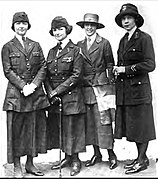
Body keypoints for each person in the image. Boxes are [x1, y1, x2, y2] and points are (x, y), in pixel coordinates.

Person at [1, 12, 50, 177]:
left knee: (33, 128)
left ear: (28, 26)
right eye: (18, 23)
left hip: (34, 95)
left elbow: (43, 66)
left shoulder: (35, 45)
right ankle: (17, 165)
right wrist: (23, 86)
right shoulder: (7, 47)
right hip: (16, 96)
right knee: (16, 131)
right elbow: (7, 70)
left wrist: (35, 85)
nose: (21, 26)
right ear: (13, 26)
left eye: (24, 23)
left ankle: (30, 164)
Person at [113, 3, 156, 174]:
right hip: (127, 90)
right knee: (134, 126)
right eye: (123, 18)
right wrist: (117, 70)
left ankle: (141, 159)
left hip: (140, 90)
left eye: (129, 18)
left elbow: (150, 64)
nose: (126, 21)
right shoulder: (124, 40)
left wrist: (126, 69)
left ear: (136, 19)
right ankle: (141, 158)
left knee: (142, 125)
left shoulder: (144, 38)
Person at [44, 16, 86, 176]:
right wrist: (50, 92)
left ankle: (75, 160)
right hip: (56, 99)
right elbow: (46, 75)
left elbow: (76, 76)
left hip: (72, 97)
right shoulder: (52, 51)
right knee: (61, 128)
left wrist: (56, 91)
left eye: (60, 29)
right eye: (55, 30)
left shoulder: (75, 50)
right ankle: (67, 157)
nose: (57, 32)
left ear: (67, 30)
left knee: (72, 128)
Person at [76, 13, 117, 170]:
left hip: (101, 88)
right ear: (83, 27)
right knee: (90, 123)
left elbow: (109, 65)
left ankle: (111, 155)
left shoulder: (104, 43)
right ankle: (97, 153)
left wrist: (109, 85)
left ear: (96, 27)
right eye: (86, 25)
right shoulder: (79, 45)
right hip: (86, 88)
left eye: (92, 25)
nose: (89, 27)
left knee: (104, 123)